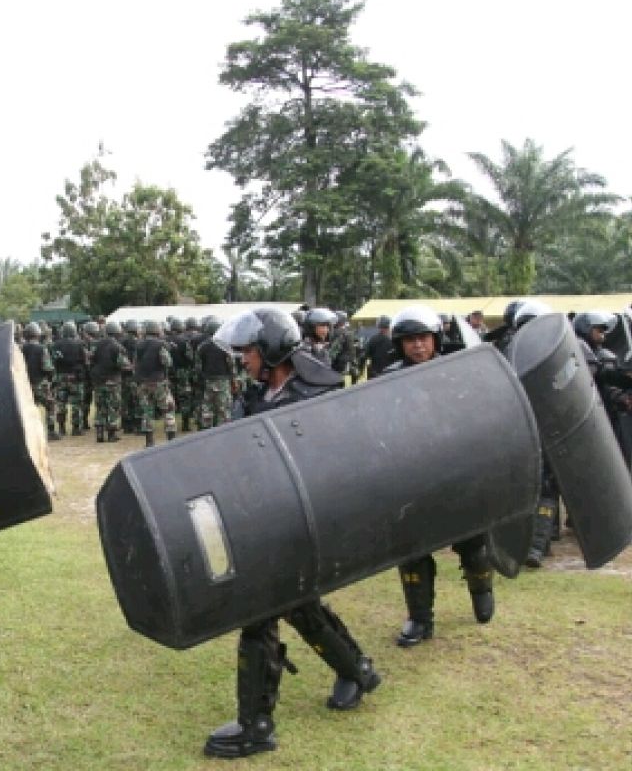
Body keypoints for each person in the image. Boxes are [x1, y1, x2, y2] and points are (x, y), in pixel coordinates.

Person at [203, 307, 381, 760]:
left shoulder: (314, 393)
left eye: (248, 351)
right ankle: (357, 670)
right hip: (265, 518)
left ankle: (255, 725)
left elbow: (330, 462)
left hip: (302, 521)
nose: (243, 360)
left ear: (270, 349)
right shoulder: (260, 392)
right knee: (299, 607)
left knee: (259, 613)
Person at [385, 305, 494, 645]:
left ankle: (481, 589)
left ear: (436, 339)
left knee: (473, 543)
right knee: (412, 553)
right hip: (413, 477)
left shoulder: (456, 371)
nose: (417, 346)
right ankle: (420, 620)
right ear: (400, 344)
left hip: (456, 471)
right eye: (410, 340)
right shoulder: (388, 379)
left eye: (423, 338)